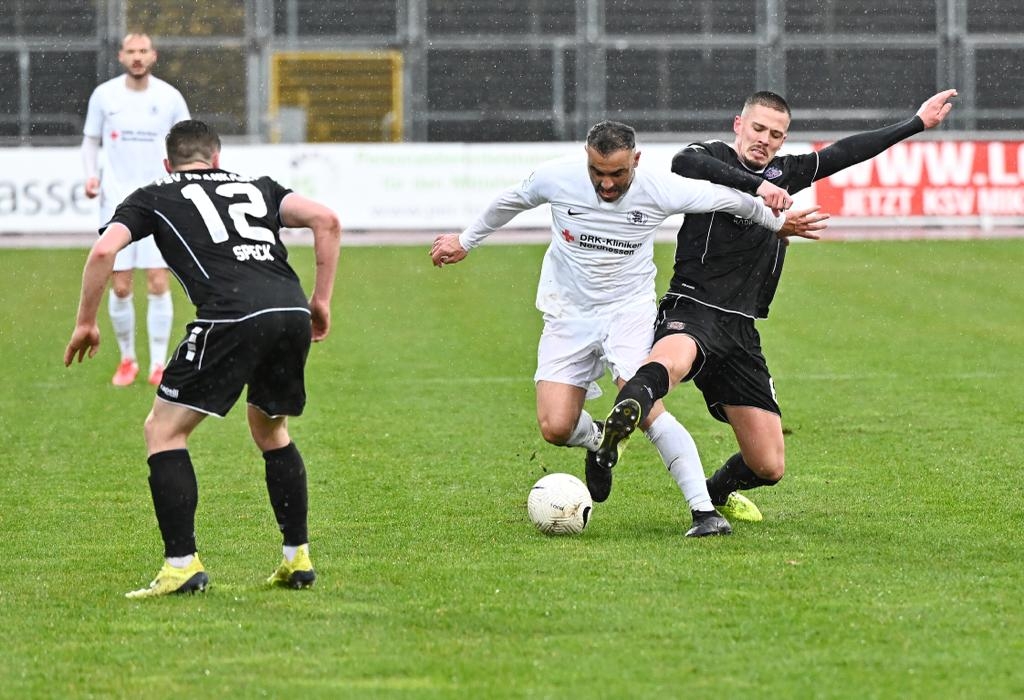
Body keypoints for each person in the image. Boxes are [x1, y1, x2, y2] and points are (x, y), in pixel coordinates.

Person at [430, 120, 823, 537]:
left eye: (617, 173)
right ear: (586, 158)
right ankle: (600, 440)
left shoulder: (660, 188)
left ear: (636, 159)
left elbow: (727, 200)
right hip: (566, 313)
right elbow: (511, 200)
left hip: (627, 312)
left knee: (645, 406)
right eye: (597, 172)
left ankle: (703, 512)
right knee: (556, 427)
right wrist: (465, 241)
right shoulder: (556, 177)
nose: (606, 183)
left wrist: (776, 221)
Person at [593, 89, 958, 520]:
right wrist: (760, 188)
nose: (764, 140)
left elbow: (846, 152)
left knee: (768, 465)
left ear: (784, 139)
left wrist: (916, 123)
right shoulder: (710, 158)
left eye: (776, 134)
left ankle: (714, 492)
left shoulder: (787, 172)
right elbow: (683, 162)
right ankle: (610, 438)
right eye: (758, 128)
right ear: (739, 125)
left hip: (741, 331)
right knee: (668, 365)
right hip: (693, 307)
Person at [64, 120, 342, 598]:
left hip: (230, 315)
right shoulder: (259, 187)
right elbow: (327, 220)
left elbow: (104, 250)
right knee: (271, 430)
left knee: (163, 431)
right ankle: (297, 557)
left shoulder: (153, 195)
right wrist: (321, 300)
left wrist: (86, 321)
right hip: (289, 310)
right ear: (216, 158)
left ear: (168, 163)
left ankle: (181, 566)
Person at [82, 32, 191, 387]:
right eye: (131, 51)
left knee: (158, 281)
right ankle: (127, 359)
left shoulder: (170, 97)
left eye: (143, 51)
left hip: (160, 200)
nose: (137, 57)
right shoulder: (105, 95)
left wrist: (186, 183)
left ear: (153, 55)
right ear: (121, 56)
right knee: (121, 285)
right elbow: (91, 141)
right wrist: (90, 176)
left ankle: (158, 364)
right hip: (116, 201)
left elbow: (186, 143)